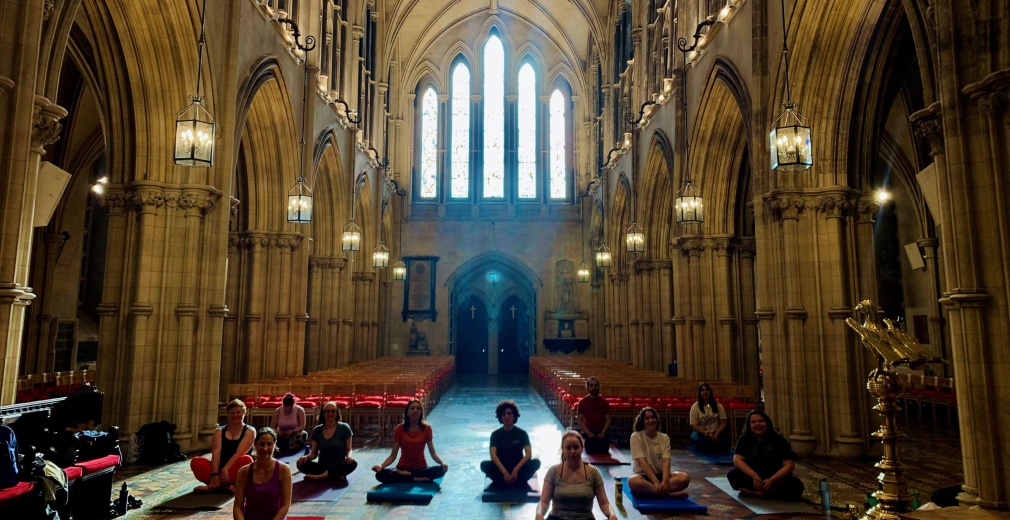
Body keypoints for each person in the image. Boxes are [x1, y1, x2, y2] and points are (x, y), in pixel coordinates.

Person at [535, 430, 618, 520]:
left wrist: (612, 514)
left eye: (576, 447)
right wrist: (539, 513)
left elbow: (604, 504)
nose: (573, 451)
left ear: (582, 448)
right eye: (568, 448)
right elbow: (544, 501)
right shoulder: (553, 471)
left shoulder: (594, 472)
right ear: (562, 450)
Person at [728, 410, 805, 501]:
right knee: (733, 476)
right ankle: (768, 494)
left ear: (767, 423)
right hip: (754, 473)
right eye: (753, 422)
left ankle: (757, 493)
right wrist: (755, 477)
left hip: (773, 475)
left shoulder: (778, 439)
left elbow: (789, 465)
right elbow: (737, 460)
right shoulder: (744, 439)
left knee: (796, 486)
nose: (757, 424)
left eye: (761, 421)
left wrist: (772, 480)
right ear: (749, 425)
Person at [371, 400, 448, 483]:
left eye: (418, 408)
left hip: (421, 468)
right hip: (402, 468)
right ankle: (415, 478)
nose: (415, 410)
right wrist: (381, 466)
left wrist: (442, 463)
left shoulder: (427, 428)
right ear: (407, 412)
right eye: (412, 408)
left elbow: (433, 453)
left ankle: (407, 475)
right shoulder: (400, 429)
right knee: (380, 475)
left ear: (421, 412)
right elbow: (393, 455)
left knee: (440, 470)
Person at [192, 399, 255, 493]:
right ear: (228, 415)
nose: (235, 415)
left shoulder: (250, 431)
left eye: (238, 412)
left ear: (244, 413)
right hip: (220, 469)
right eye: (232, 413)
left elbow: (239, 453)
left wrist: (225, 469)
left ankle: (213, 488)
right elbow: (216, 453)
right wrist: (215, 474)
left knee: (247, 460)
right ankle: (225, 486)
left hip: (236, 467)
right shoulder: (219, 431)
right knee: (196, 461)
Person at [628, 407, 691, 498]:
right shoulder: (636, 436)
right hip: (644, 476)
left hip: (661, 476)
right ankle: (668, 495)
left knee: (685, 478)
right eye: (647, 418)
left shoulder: (664, 438)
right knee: (633, 481)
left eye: (653, 417)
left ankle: (652, 492)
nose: (651, 420)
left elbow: (666, 461)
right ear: (642, 422)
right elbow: (642, 462)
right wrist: (656, 482)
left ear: (657, 420)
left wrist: (665, 482)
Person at [233, 427, 291, 520]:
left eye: (269, 444)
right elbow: (237, 508)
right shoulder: (244, 472)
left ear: (274, 445)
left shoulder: (283, 470)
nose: (265, 448)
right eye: (261, 444)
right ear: (255, 445)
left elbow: (285, 505)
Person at [480, 400, 541, 487]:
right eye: (504, 414)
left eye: (509, 413)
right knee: (484, 465)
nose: (506, 416)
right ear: (500, 417)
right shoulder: (495, 435)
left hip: (518, 469)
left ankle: (512, 479)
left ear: (514, 415)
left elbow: (528, 454)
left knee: (536, 462)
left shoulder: (522, 433)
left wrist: (515, 470)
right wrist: (505, 473)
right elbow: (493, 456)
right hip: (501, 470)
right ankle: (507, 479)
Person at [296, 401, 358, 481]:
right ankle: (334, 475)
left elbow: (348, 450)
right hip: (322, 466)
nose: (330, 414)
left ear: (337, 412)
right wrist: (306, 457)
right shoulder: (317, 430)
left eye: (333, 411)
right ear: (323, 413)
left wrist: (349, 457)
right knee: (300, 464)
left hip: (338, 465)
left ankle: (321, 476)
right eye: (327, 411)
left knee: (353, 464)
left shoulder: (344, 428)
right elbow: (314, 453)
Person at [689, 382, 731, 453]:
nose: (705, 392)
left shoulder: (718, 406)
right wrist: (707, 432)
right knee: (702, 443)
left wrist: (717, 433)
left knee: (726, 444)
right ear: (700, 393)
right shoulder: (695, 407)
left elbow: (723, 422)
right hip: (701, 433)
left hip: (716, 432)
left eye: (707, 390)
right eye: (702, 390)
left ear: (710, 391)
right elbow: (694, 425)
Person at [577, 377, 611, 454]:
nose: (594, 387)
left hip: (601, 432)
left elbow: (608, 419)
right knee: (590, 449)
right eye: (591, 385)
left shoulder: (604, 402)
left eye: (596, 385)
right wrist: (588, 432)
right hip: (589, 432)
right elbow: (579, 420)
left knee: (604, 450)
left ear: (598, 387)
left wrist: (603, 432)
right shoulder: (582, 402)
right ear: (588, 387)